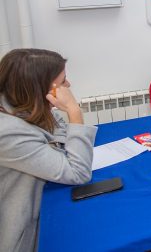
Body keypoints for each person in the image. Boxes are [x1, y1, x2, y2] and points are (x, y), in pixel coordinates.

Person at [0, 49, 96, 252]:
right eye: (62, 82)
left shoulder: (21, 103)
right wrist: (74, 111)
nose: (68, 85)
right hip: (24, 232)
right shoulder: (7, 133)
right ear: (38, 89)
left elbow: (58, 132)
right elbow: (78, 172)